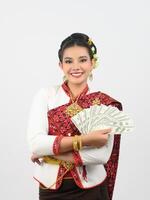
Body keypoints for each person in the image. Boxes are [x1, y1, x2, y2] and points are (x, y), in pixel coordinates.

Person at [27, 33, 123, 200]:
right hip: (51, 188)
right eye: (69, 61)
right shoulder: (46, 96)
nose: (75, 66)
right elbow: (36, 144)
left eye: (83, 60)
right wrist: (86, 140)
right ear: (61, 65)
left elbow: (101, 155)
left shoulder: (103, 103)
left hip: (91, 189)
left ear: (93, 63)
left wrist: (50, 153)